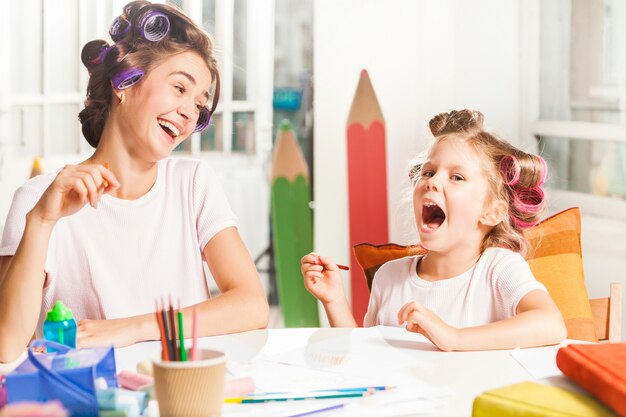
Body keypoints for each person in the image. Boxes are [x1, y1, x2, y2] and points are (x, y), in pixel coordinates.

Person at [0, 0, 269, 363]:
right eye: (179, 88)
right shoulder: (37, 199)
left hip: (182, 391)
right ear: (124, 83)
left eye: (200, 104)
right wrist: (42, 221)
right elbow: (5, 346)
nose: (191, 112)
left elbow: (252, 305)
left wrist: (132, 328)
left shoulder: (192, 185)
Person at [302, 109, 567, 351]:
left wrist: (454, 337)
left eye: (456, 177)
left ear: (492, 212)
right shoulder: (389, 277)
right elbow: (366, 357)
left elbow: (550, 324)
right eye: (428, 172)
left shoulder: (498, 269)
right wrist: (334, 300)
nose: (433, 182)